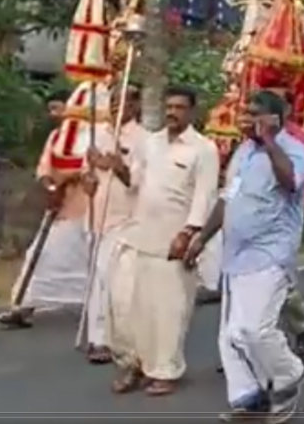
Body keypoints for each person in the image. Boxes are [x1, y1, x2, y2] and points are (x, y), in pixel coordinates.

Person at [187, 90, 304, 421]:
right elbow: (228, 198)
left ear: (274, 119)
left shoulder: (293, 150)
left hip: (269, 255)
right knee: (233, 335)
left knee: (255, 330)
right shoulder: (243, 152)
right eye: (244, 113)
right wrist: (201, 238)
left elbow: (291, 183)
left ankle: (289, 375)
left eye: (253, 114)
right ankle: (250, 399)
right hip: (235, 256)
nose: (244, 120)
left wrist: (270, 141)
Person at [104, 86, 219, 396]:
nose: (172, 112)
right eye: (169, 106)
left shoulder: (203, 149)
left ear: (192, 112)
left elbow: (204, 197)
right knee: (128, 306)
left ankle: (165, 370)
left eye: (180, 107)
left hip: (175, 241)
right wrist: (119, 170)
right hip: (139, 235)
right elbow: (135, 183)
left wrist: (189, 234)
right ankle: (134, 364)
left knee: (168, 311)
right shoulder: (150, 144)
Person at [0, 94, 90, 329]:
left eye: (59, 108)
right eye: (51, 110)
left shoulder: (90, 135)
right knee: (39, 256)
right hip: (61, 208)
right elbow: (45, 168)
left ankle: (103, 311)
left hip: (92, 208)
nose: (55, 115)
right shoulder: (56, 137)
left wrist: (66, 180)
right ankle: (23, 306)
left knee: (96, 263)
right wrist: (51, 186)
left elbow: (89, 167)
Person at [79, 84, 145, 364]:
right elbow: (85, 178)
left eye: (125, 101)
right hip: (96, 217)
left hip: (126, 219)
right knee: (99, 278)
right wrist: (89, 179)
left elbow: (138, 183)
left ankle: (109, 338)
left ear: (136, 106)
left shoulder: (145, 140)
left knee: (113, 279)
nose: (118, 106)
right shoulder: (95, 135)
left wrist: (118, 166)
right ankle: (99, 338)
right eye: (114, 100)